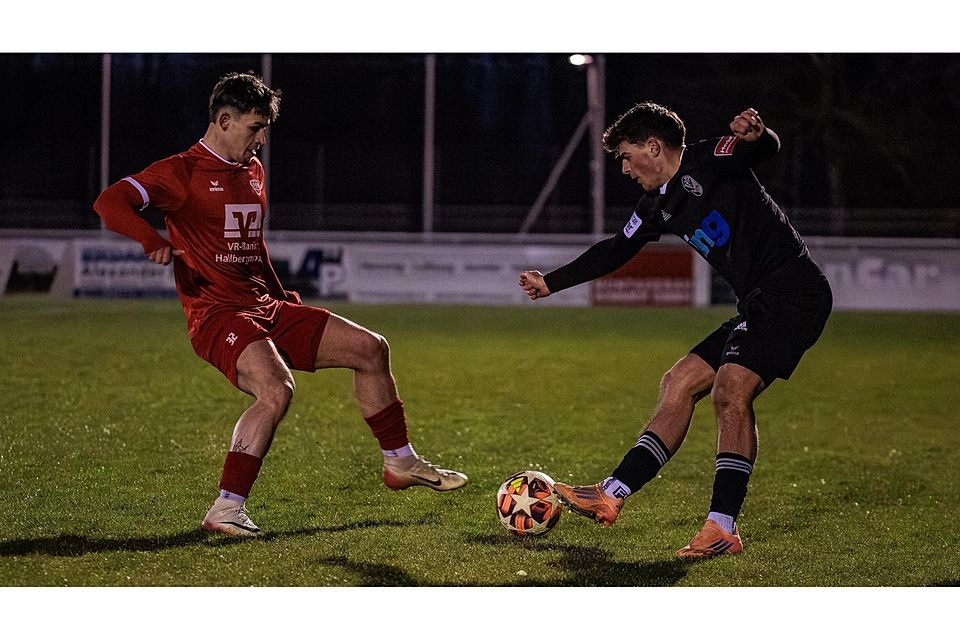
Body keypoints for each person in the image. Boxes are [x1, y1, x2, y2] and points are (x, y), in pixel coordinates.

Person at [94, 71, 467, 538]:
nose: (262, 140)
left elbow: (253, 244)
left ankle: (400, 462)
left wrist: (279, 291)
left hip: (265, 303)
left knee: (371, 348)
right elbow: (110, 202)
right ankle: (226, 508)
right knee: (276, 390)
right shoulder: (181, 172)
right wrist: (152, 238)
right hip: (216, 314)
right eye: (254, 128)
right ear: (224, 120)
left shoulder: (252, 169)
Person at [519, 102, 832, 559]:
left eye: (627, 156)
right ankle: (612, 492)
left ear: (653, 147)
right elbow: (614, 250)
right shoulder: (656, 205)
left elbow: (763, 149)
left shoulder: (713, 159)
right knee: (679, 382)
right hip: (760, 303)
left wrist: (756, 133)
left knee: (730, 391)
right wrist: (552, 282)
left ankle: (721, 528)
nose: (624, 169)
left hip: (793, 292)